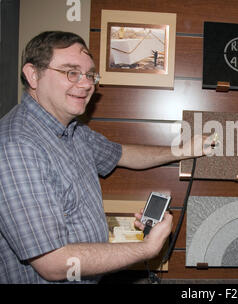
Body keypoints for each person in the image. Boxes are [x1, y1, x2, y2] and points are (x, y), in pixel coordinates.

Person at [0, 31, 210, 283]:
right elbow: (53, 263)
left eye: (90, 74)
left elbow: (123, 154)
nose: (87, 83)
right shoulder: (17, 146)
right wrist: (147, 249)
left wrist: (183, 151)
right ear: (33, 75)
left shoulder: (74, 132)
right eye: (71, 72)